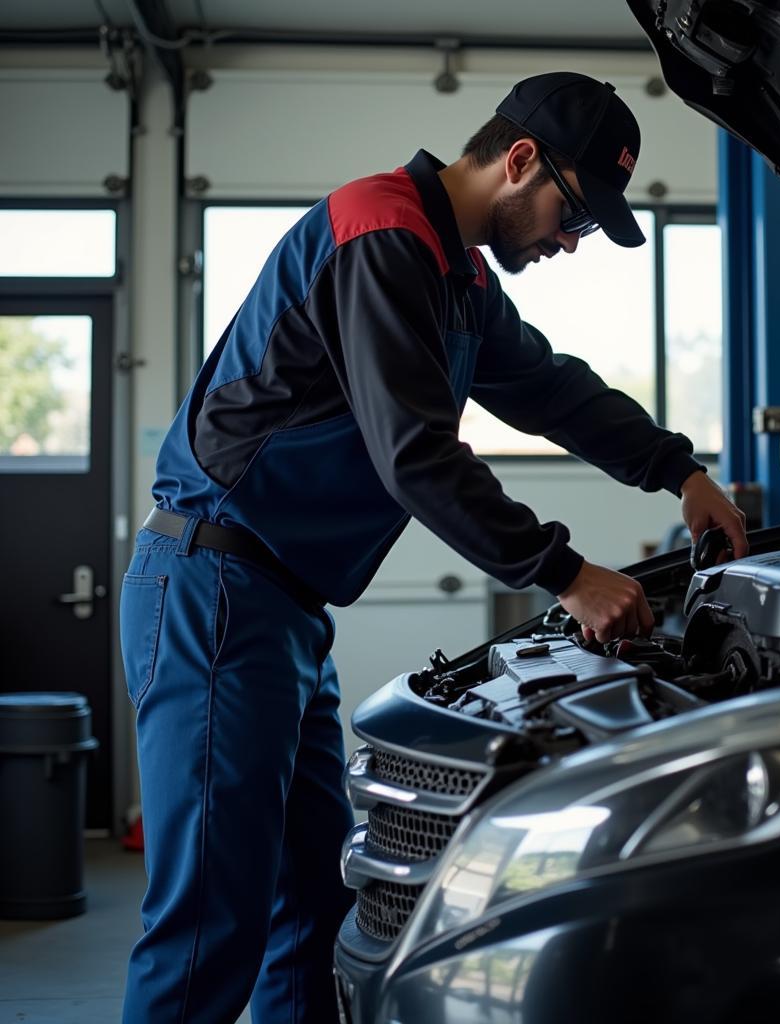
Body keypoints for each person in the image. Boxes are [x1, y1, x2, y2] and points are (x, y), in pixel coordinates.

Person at [119, 71, 748, 1023]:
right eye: (572, 214)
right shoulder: (382, 231)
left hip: (283, 606)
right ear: (520, 160)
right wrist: (566, 575)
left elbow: (550, 390)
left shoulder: (458, 279)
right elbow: (415, 454)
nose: (570, 243)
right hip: (216, 587)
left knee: (311, 910)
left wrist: (682, 470)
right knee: (209, 925)